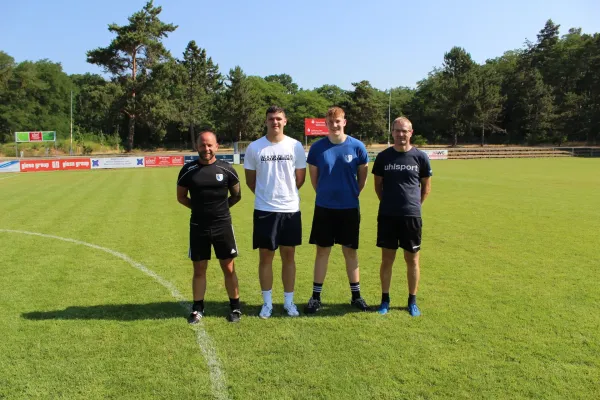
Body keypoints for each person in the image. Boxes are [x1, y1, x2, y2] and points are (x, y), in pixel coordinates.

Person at [304, 106, 370, 314]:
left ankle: (356, 296)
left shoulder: (357, 147)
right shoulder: (317, 148)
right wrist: (326, 194)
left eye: (338, 121)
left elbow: (362, 178)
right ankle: (315, 297)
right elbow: (314, 180)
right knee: (322, 251)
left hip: (349, 207)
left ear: (344, 122)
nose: (334, 125)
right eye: (330, 122)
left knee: (350, 252)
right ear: (326, 123)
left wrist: (349, 194)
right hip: (324, 207)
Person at [244, 106, 307, 319]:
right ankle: (267, 303)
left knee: (289, 256)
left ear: (285, 121)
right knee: (266, 257)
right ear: (266, 121)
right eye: (271, 119)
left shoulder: (295, 146)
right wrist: (267, 195)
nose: (275, 122)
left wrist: (284, 195)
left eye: (279, 118)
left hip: (290, 209)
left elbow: (300, 178)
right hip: (264, 210)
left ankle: (289, 302)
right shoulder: (255, 147)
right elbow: (251, 181)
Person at [177, 131, 242, 323]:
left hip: (223, 226)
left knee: (228, 268)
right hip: (198, 226)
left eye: (210, 145)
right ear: (197, 146)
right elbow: (181, 197)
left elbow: (236, 195)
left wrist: (220, 210)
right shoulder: (188, 170)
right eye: (203, 145)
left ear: (217, 146)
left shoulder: (227, 169)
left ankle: (236, 308)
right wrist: (198, 209)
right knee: (199, 269)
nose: (206, 149)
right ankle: (197, 308)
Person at [372, 117, 432, 317]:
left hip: (411, 217)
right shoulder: (383, 157)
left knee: (412, 260)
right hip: (388, 215)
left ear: (411, 132)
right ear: (392, 133)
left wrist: (413, 206)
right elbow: (378, 187)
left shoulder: (420, 157)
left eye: (404, 131)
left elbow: (426, 188)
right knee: (387, 259)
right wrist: (390, 203)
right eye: (397, 130)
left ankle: (412, 301)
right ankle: (385, 300)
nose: (400, 134)